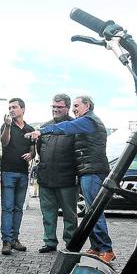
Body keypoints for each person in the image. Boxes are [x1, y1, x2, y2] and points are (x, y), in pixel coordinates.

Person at [26, 95, 115, 263]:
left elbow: (67, 126)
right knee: (91, 211)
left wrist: (42, 131)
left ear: (87, 106)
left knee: (94, 211)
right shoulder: (86, 120)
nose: (74, 109)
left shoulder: (88, 121)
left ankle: (106, 248)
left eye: (76, 105)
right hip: (87, 171)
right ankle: (97, 248)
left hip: (92, 171)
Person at [35, 94, 78, 253]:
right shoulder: (45, 127)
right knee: (48, 214)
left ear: (67, 107)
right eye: (53, 107)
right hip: (46, 177)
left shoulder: (75, 126)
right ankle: (50, 242)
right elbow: (39, 149)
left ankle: (71, 242)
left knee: (70, 215)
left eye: (59, 107)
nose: (55, 110)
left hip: (67, 178)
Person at [0, 98, 35, 255]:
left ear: (23, 109)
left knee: (18, 208)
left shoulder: (30, 129)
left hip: (23, 173)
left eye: (14, 107)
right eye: (9, 107)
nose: (11, 110)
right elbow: (4, 142)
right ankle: (6, 241)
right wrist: (7, 126)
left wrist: (31, 154)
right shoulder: (6, 126)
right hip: (8, 172)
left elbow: (34, 150)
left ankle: (15, 239)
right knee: (7, 208)